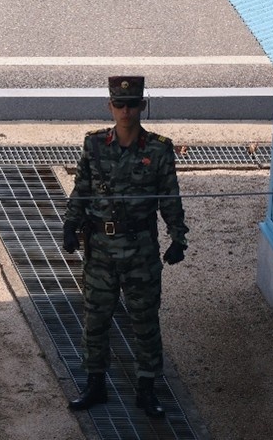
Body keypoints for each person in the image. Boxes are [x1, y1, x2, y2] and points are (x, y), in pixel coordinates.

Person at [62, 76, 188, 418]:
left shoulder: (159, 150)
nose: (126, 111)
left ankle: (147, 389)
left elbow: (169, 199)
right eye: (119, 104)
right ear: (110, 107)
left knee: (145, 321)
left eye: (132, 104)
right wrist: (71, 225)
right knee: (96, 320)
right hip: (101, 249)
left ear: (142, 106)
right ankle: (95, 384)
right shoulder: (95, 145)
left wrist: (179, 237)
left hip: (140, 252)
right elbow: (82, 189)